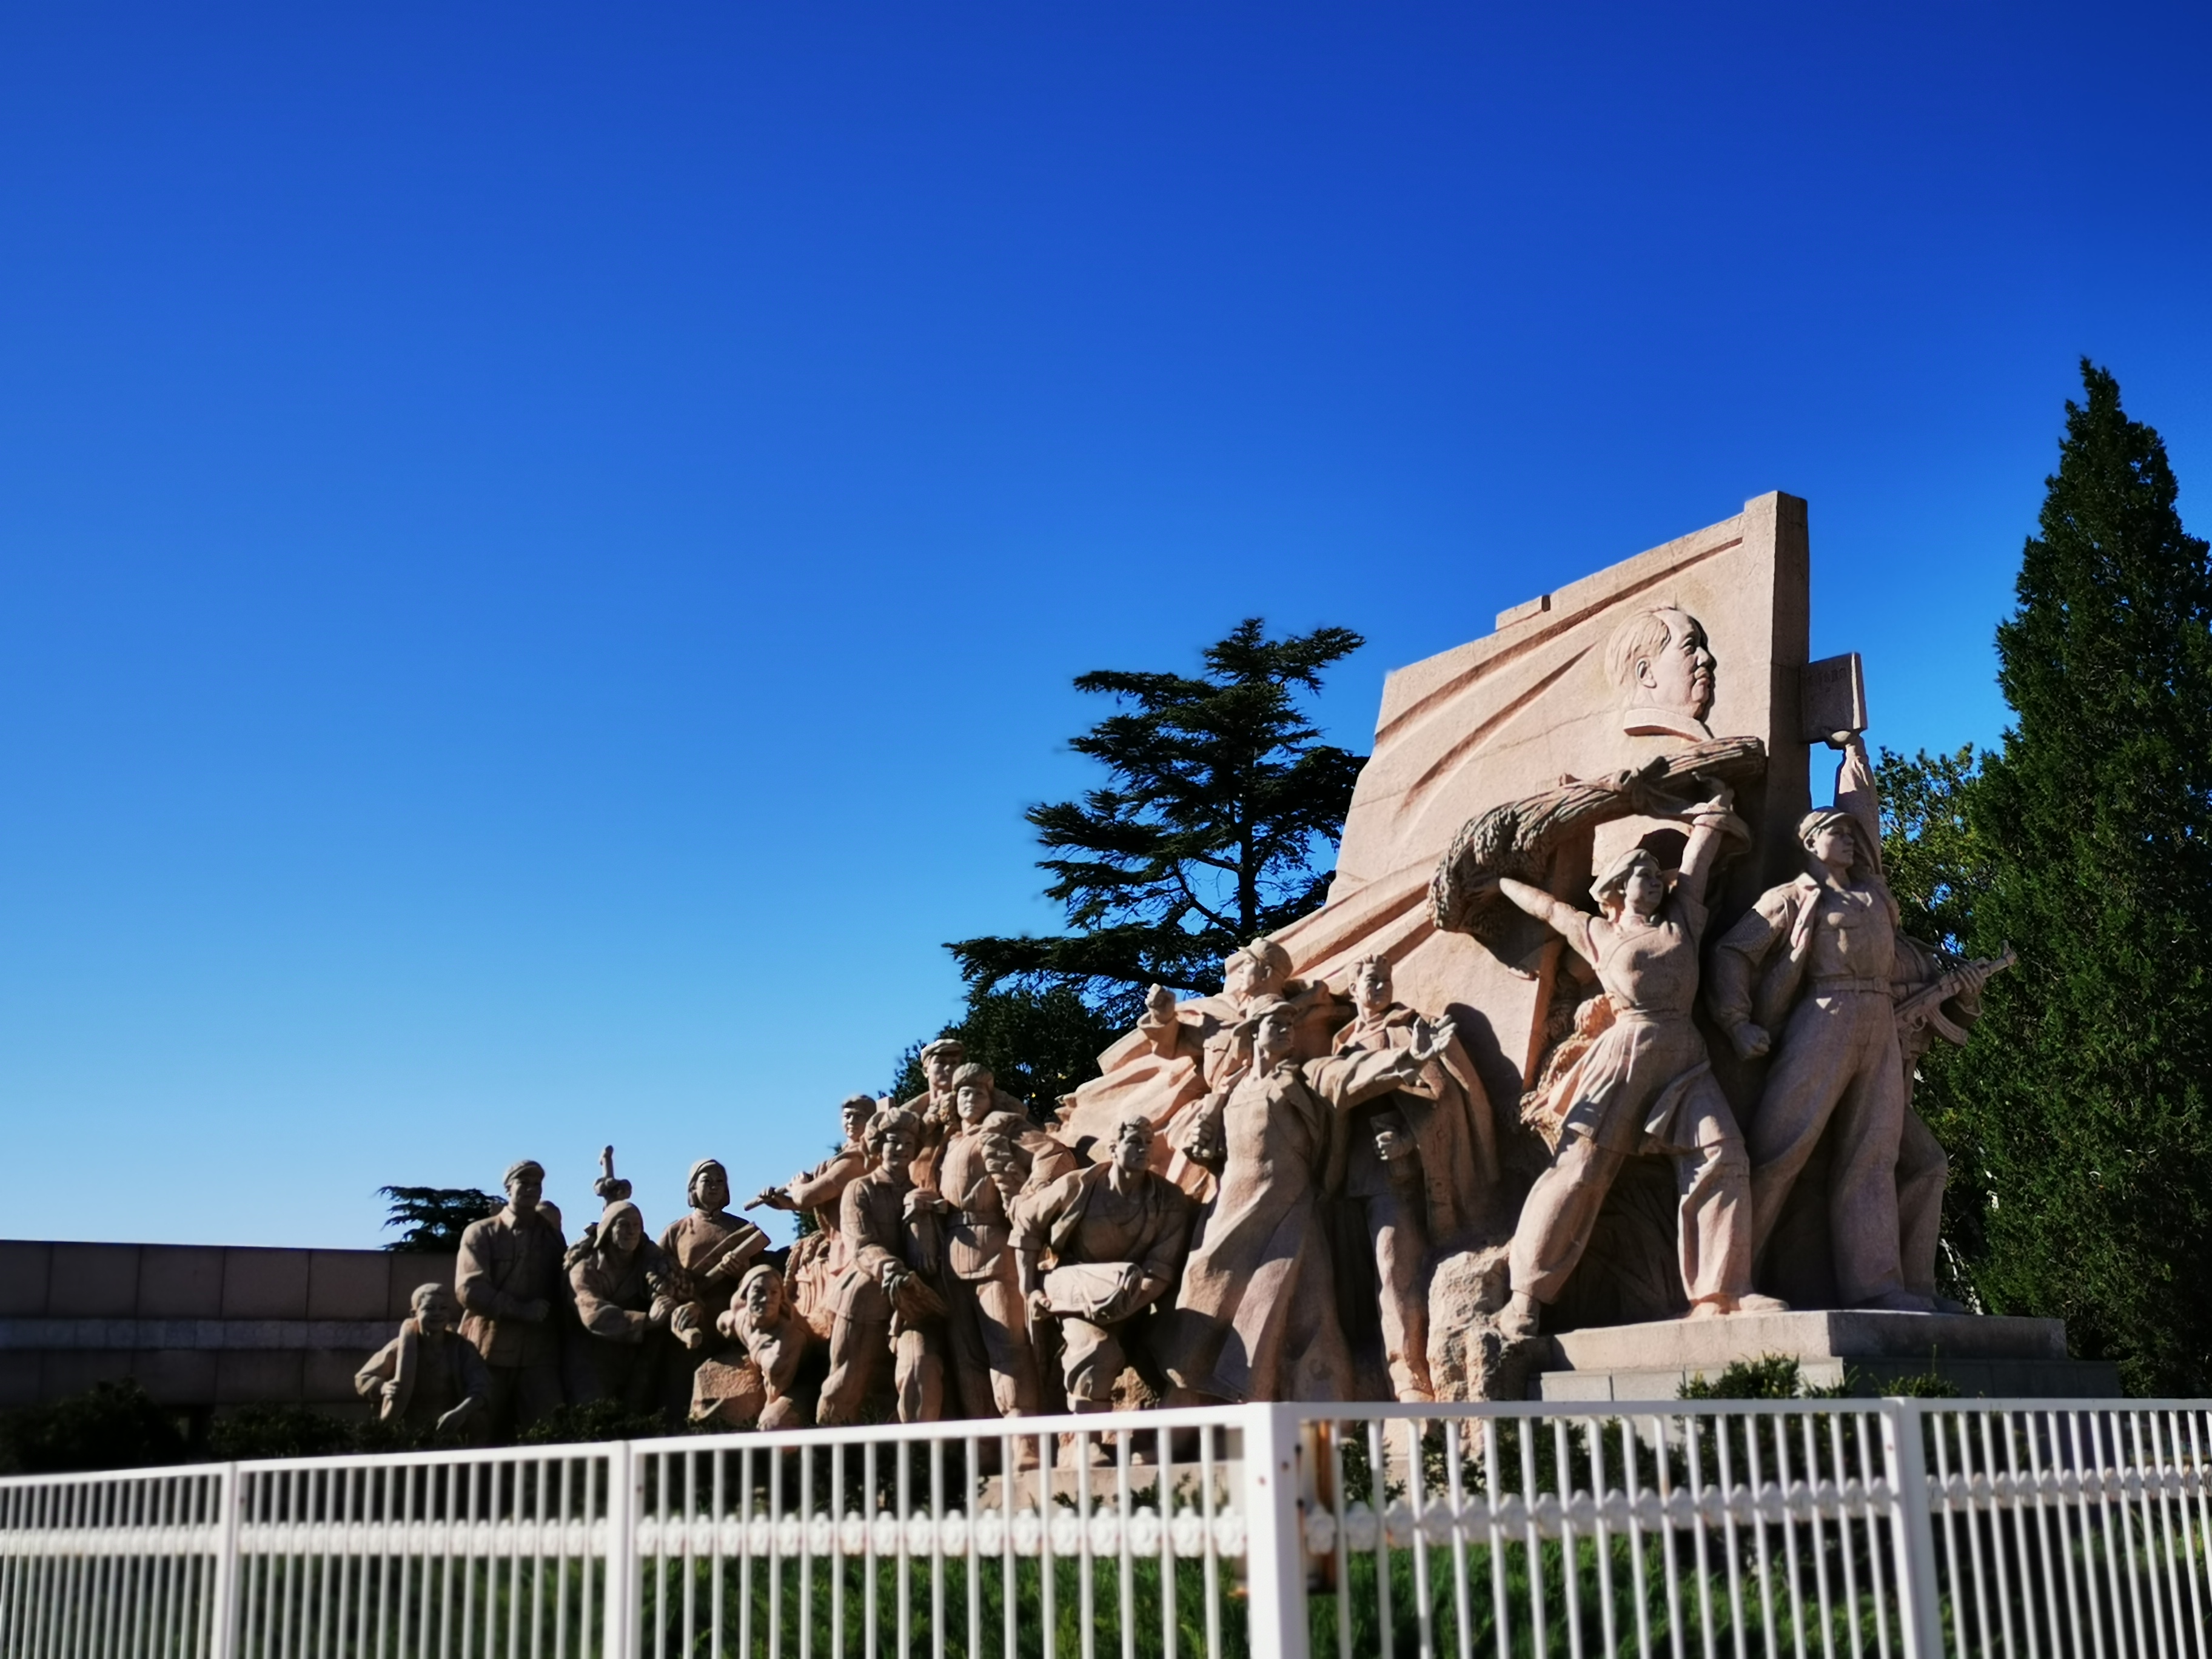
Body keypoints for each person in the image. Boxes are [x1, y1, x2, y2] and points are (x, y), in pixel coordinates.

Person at [1489, 782, 1784, 1338]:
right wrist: (1499, 882)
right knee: (1580, 1171)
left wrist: (1715, 809)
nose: (1655, 883)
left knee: (1723, 1157)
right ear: (1618, 889)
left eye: (1656, 877)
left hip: (1685, 1058)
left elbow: (1698, 861)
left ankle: (1721, 1293)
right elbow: (1549, 909)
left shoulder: (1682, 921)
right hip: (1625, 1054)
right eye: (1643, 876)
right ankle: (1525, 1297)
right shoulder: (1598, 933)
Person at [1707, 734, 1928, 1312]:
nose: (1851, 840)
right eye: (1838, 833)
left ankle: (1877, 1287)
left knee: (1873, 1156)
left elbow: (1866, 816)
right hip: (1823, 1016)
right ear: (1811, 842)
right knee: (1778, 1150)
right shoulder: (1791, 897)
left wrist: (1854, 757)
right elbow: (1733, 953)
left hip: (1878, 1018)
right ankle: (1730, 1283)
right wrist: (1736, 1021)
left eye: (1852, 834)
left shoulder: (1874, 893)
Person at [1154, 996, 1452, 1403]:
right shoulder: (1230, 1090)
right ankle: (1193, 1419)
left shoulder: (1305, 1079)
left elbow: (1351, 1074)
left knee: (1311, 1323)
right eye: (1275, 1024)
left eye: (1290, 1025)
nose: (1286, 1031)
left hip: (1291, 1216)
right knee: (1205, 1315)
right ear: (1253, 1033)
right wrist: (1200, 1145)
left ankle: (1323, 1427)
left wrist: (1409, 1058)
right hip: (1232, 1218)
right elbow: (1211, 1151)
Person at [1057, 936, 1334, 1195]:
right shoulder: (1221, 1012)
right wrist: (1164, 1017)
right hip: (1212, 1108)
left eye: (1248, 963)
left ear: (1266, 973)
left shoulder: (1296, 1019)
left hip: (1256, 1108)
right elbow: (1177, 1044)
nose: (1239, 970)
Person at [915, 1064, 1077, 1418]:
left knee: (1008, 1347)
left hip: (995, 1248)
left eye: (980, 1092)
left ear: (992, 1098)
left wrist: (1029, 1195)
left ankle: (1023, 1435)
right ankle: (986, 1441)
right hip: (951, 1255)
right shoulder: (947, 1143)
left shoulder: (1003, 1128)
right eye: (964, 1092)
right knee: (968, 1357)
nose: (971, 1098)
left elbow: (1055, 1156)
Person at [1014, 1114, 1191, 1415]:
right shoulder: (1078, 1186)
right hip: (1071, 1286)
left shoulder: (1169, 1200)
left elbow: (1160, 1270)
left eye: (1148, 1143)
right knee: (1098, 1352)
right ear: (1113, 1149)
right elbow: (1027, 1225)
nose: (1143, 1149)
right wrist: (1029, 1289)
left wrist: (1119, 1308)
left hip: (1131, 1296)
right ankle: (1086, 1437)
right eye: (1134, 1142)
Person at [817, 1107, 947, 1426]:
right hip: (865, 1297)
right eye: (893, 1142)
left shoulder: (921, 1195)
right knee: (846, 1382)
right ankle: (826, 1449)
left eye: (908, 1143)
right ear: (879, 1146)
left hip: (911, 1302)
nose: (901, 1148)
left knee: (921, 1367)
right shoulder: (860, 1189)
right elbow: (860, 1243)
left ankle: (917, 1450)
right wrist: (887, 1266)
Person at [455, 1159, 568, 1438]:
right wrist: (520, 1309)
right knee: (480, 1434)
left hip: (541, 1355)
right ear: (508, 1188)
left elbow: (564, 1286)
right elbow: (469, 1289)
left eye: (537, 1184)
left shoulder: (552, 1237)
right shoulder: (482, 1233)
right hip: (491, 1351)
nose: (531, 1189)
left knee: (551, 1433)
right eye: (524, 1183)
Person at [751, 1094, 878, 1336]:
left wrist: (799, 1187)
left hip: (855, 1248)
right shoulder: (842, 1158)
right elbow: (830, 1203)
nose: (851, 1121)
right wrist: (785, 1203)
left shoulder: (859, 1159)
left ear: (871, 1120)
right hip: (840, 1248)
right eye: (847, 1116)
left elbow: (809, 1197)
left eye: (859, 1116)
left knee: (840, 1324)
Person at [567, 1196, 674, 1413]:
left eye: (637, 1225)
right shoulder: (585, 1269)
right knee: (594, 1419)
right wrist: (648, 1321)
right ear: (608, 1230)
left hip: (632, 1361)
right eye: (623, 1225)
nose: (631, 1231)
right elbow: (594, 1315)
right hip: (591, 1361)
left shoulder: (647, 1263)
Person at [354, 1282, 488, 1441]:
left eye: (443, 1308)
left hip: (448, 1429)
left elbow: (482, 1387)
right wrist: (383, 1387)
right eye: (429, 1308)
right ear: (414, 1313)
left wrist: (462, 1412)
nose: (437, 1314)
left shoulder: (462, 1349)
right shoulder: (398, 1348)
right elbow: (363, 1378)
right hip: (407, 1431)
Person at [714, 1264, 820, 1430]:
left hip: (804, 1384)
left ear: (781, 1298)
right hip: (772, 1374)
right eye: (759, 1291)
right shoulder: (740, 1320)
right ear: (745, 1294)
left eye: (774, 1293)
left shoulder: (788, 1340)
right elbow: (724, 1323)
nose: (766, 1299)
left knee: (770, 1424)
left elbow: (773, 1395)